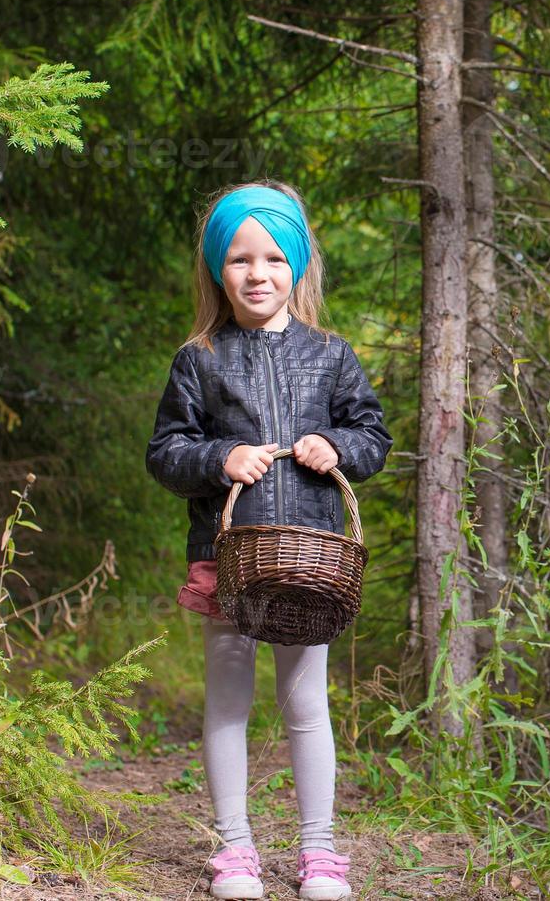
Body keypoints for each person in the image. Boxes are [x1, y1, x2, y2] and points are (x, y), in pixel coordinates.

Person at [146, 180, 393, 901]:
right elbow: (165, 452)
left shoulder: (332, 354)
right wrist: (218, 459)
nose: (258, 274)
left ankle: (319, 852)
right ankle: (236, 851)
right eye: (240, 260)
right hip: (231, 557)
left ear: (300, 265)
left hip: (307, 560)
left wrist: (334, 445)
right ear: (218, 270)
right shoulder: (200, 358)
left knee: (305, 701)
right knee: (228, 697)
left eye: (275, 258)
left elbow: (373, 438)